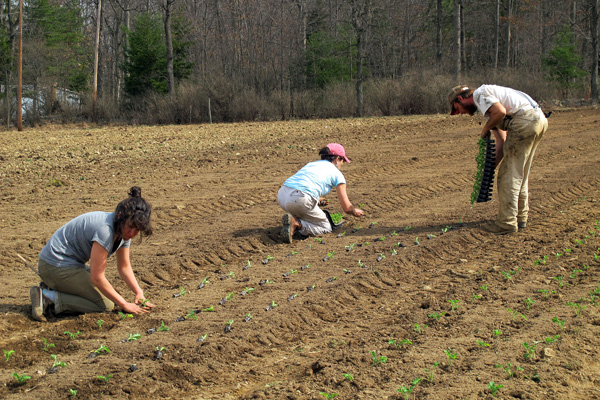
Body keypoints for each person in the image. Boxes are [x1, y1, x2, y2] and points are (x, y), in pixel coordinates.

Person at [30, 186, 155, 321]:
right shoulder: (105, 230)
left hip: (67, 265)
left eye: (137, 230)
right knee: (105, 305)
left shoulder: (123, 230)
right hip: (54, 266)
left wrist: (138, 292)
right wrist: (124, 304)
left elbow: (124, 267)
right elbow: (97, 277)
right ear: (120, 216)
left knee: (112, 294)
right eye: (130, 228)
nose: (132, 234)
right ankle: (48, 298)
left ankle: (57, 288)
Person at [448, 84, 548, 235]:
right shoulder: (489, 106)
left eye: (457, 108)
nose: (460, 113)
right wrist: (489, 168)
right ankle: (521, 218)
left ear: (461, 99)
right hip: (537, 119)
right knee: (520, 173)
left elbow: (500, 112)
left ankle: (506, 223)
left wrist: (485, 129)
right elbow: (501, 141)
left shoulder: (480, 94)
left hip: (525, 121)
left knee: (508, 176)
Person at [277, 143, 364, 243]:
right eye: (343, 160)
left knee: (302, 207)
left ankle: (295, 220)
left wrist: (316, 199)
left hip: (282, 195)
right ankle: (297, 224)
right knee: (326, 227)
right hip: (299, 199)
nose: (343, 164)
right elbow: (346, 207)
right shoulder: (337, 174)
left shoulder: (311, 164)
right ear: (337, 159)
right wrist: (354, 211)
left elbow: (303, 182)